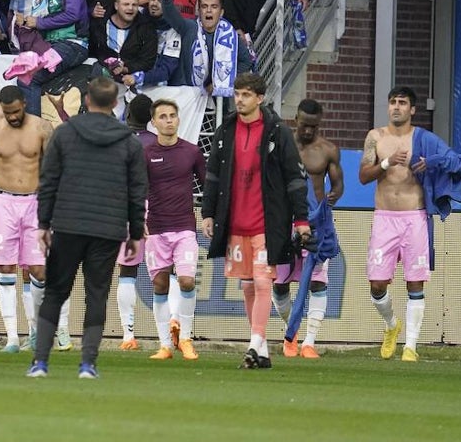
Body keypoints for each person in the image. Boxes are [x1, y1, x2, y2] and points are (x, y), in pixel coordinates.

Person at [26, 76, 146, 379]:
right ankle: (87, 364)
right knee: (97, 294)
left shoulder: (65, 134)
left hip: (67, 224)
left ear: (86, 101)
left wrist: (43, 223)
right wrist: (135, 232)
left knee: (55, 291)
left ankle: (40, 362)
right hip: (107, 228)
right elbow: (137, 191)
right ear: (116, 104)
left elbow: (48, 181)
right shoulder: (129, 142)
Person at [200, 73, 310, 370]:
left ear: (260, 98)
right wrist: (208, 212)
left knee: (263, 281)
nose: (239, 99)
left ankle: (253, 343)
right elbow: (212, 174)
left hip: (267, 221)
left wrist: (301, 219)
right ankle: (261, 351)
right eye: (237, 94)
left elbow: (294, 177)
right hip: (235, 221)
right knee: (248, 285)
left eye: (246, 94)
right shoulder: (225, 130)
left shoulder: (277, 132)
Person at [360, 86, 461, 362]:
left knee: (415, 282)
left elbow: (457, 162)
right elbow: (362, 175)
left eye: (402, 103)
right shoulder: (376, 137)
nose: (396, 107)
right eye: (393, 101)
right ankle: (392, 325)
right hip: (384, 217)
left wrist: (430, 162)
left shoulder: (424, 140)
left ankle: (411, 346)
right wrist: (386, 163)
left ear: (412, 109)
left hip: (414, 216)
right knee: (377, 283)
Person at [0, 86, 55, 353]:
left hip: (35, 202)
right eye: (7, 112)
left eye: (15, 111)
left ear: (24, 104)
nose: (12, 117)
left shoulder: (43, 128)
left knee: (38, 269)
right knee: (5, 268)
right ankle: (12, 337)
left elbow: (53, 172)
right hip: (3, 201)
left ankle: (36, 331)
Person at [272, 97, 343, 359]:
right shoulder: (282, 147)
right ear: (296, 121)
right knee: (279, 285)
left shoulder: (328, 150)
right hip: (284, 220)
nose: (309, 131)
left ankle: (309, 342)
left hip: (316, 223)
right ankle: (293, 329)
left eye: (314, 126)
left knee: (317, 282)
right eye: (305, 125)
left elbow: (337, 185)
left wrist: (334, 196)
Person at [141, 98, 205, 361]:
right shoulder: (145, 154)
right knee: (160, 284)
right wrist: (137, 219)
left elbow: (207, 185)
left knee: (187, 280)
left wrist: (210, 215)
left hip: (184, 228)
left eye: (172, 116)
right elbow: (136, 189)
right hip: (156, 229)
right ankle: (166, 345)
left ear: (178, 120)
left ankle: (186, 338)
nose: (168, 121)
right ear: (153, 122)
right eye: (163, 116)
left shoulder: (191, 152)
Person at [10, 0, 89, 116]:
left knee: (28, 79)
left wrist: (39, 22)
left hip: (72, 44)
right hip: (55, 45)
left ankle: (35, 131)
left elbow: (73, 13)